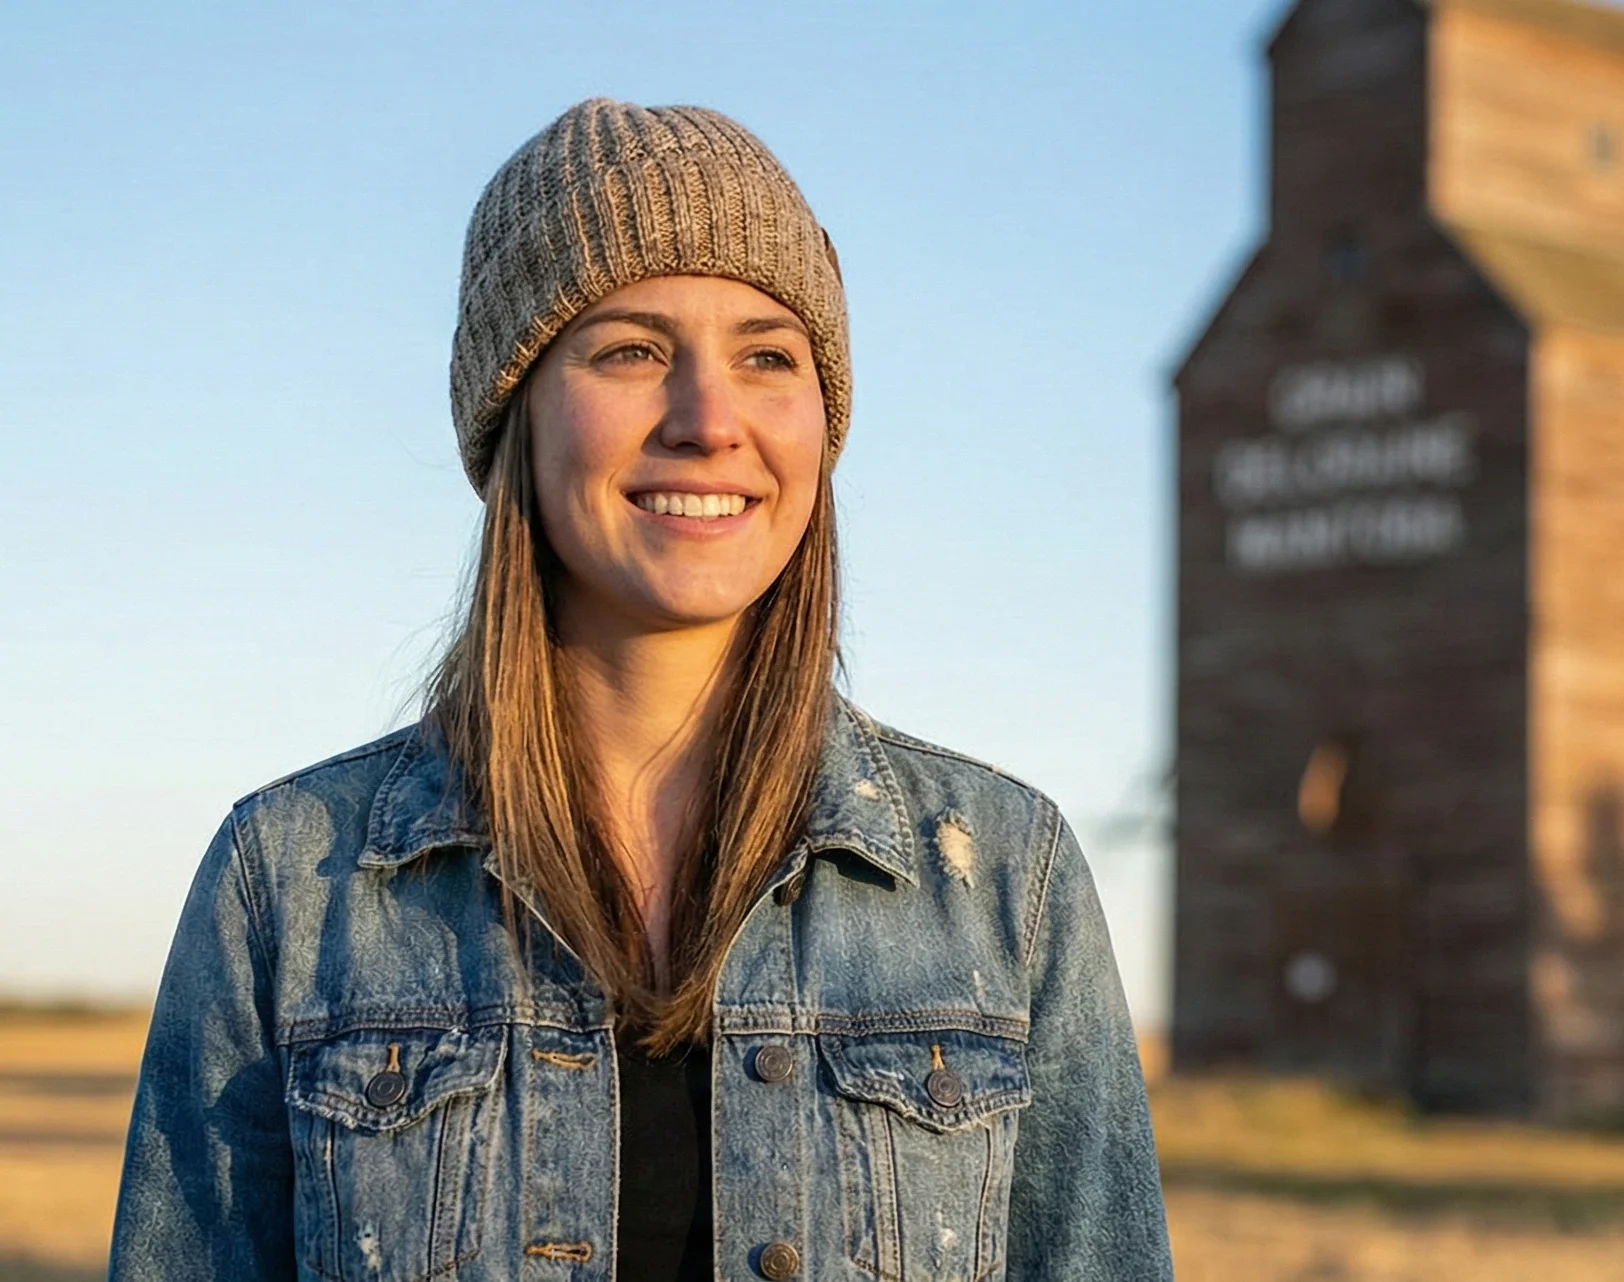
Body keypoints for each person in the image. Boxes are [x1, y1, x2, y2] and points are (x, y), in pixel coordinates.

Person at [107, 98, 1171, 1282]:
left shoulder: (1002, 877)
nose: (710, 420)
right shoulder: (291, 880)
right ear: (514, 411)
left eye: (768, 355)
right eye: (630, 350)